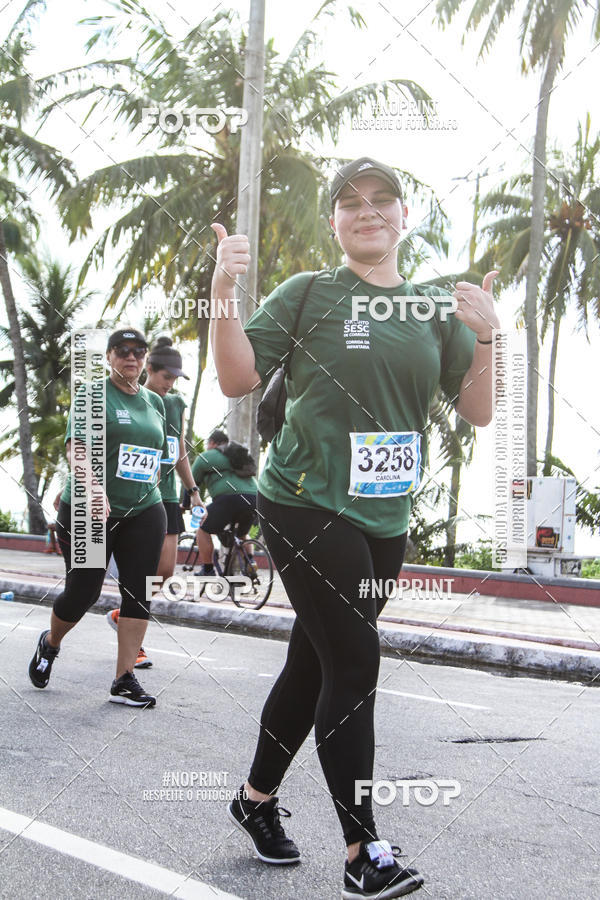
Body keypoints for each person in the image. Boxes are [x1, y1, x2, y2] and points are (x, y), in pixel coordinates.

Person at [210, 157, 499, 897]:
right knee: (356, 662)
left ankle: (255, 801)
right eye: (350, 203)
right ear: (334, 223)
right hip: (305, 502)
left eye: (382, 201)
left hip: (385, 516)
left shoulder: (435, 309)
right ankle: (362, 852)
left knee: (314, 664)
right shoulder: (309, 294)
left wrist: (490, 339)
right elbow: (238, 378)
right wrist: (220, 294)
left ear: (405, 217)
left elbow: (476, 410)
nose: (367, 212)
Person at [28, 327, 171, 708]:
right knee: (84, 590)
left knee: (139, 590)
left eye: (138, 351)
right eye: (122, 350)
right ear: (109, 357)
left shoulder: (155, 403)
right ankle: (50, 642)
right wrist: (93, 488)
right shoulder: (93, 395)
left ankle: (124, 678)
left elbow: (153, 457)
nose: (131, 357)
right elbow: (77, 448)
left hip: (143, 509)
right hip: (89, 509)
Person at [105, 336, 206, 666]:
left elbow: (177, 452)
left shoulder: (172, 404)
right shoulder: (124, 398)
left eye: (176, 378)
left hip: (166, 495)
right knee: (141, 574)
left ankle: (123, 616)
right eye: (166, 376)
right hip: (135, 499)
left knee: (163, 570)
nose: (170, 383)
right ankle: (134, 648)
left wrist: (193, 490)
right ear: (149, 369)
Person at [190, 429, 257, 577]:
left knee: (203, 529)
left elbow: (192, 483)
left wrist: (185, 504)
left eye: (208, 443)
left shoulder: (207, 456)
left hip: (230, 499)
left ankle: (207, 570)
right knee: (242, 534)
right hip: (254, 498)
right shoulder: (238, 455)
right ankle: (251, 562)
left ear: (213, 443)